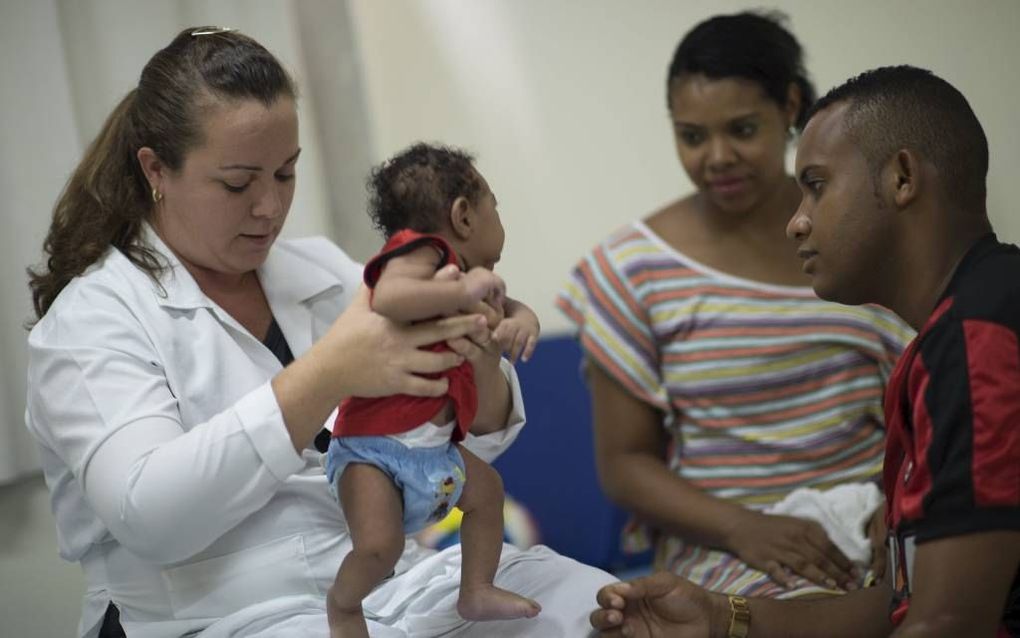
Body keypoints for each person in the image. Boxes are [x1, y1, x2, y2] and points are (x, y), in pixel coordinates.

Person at [24, 26, 614, 638]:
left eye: (285, 174)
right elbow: (151, 517)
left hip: (399, 585)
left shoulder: (324, 273)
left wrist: (481, 354)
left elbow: (469, 445)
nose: (269, 207)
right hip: (217, 617)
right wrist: (329, 371)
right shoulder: (94, 320)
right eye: (237, 182)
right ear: (156, 170)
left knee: (591, 603)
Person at [590, 65, 1020, 637]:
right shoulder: (941, 343)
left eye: (816, 186)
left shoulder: (978, 339)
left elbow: (947, 624)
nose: (796, 222)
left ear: (901, 178)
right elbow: (908, 606)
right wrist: (724, 617)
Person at [557, 11, 913, 599]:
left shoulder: (867, 239)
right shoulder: (633, 267)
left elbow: (933, 404)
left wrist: (901, 499)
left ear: (791, 107)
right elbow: (624, 464)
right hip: (725, 544)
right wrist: (746, 529)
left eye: (742, 129)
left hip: (884, 517)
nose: (717, 157)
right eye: (692, 136)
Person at [325, 143, 542, 637]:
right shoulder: (420, 254)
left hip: (435, 449)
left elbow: (514, 308)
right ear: (464, 216)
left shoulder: (476, 282)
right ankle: (342, 605)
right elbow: (391, 297)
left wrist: (522, 322)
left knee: (488, 493)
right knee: (380, 548)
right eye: (495, 203)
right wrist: (459, 294)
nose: (498, 216)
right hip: (372, 447)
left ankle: (476, 590)